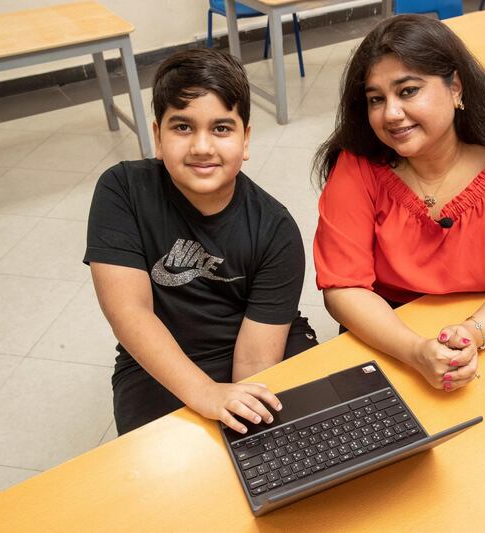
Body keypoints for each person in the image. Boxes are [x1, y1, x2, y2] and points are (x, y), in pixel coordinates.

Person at [313, 15, 485, 394]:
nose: (390, 113)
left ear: (455, 87)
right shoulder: (357, 166)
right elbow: (343, 286)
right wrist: (416, 351)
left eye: (407, 91)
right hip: (390, 330)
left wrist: (473, 333)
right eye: (376, 99)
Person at [85, 48, 317, 435]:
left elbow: (254, 362)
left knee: (285, 442)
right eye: (183, 127)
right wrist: (205, 392)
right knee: (159, 470)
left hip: (257, 342)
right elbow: (130, 312)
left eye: (221, 128)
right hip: (158, 353)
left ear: (245, 140)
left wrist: (238, 409)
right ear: (158, 136)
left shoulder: (275, 229)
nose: (202, 147)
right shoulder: (122, 189)